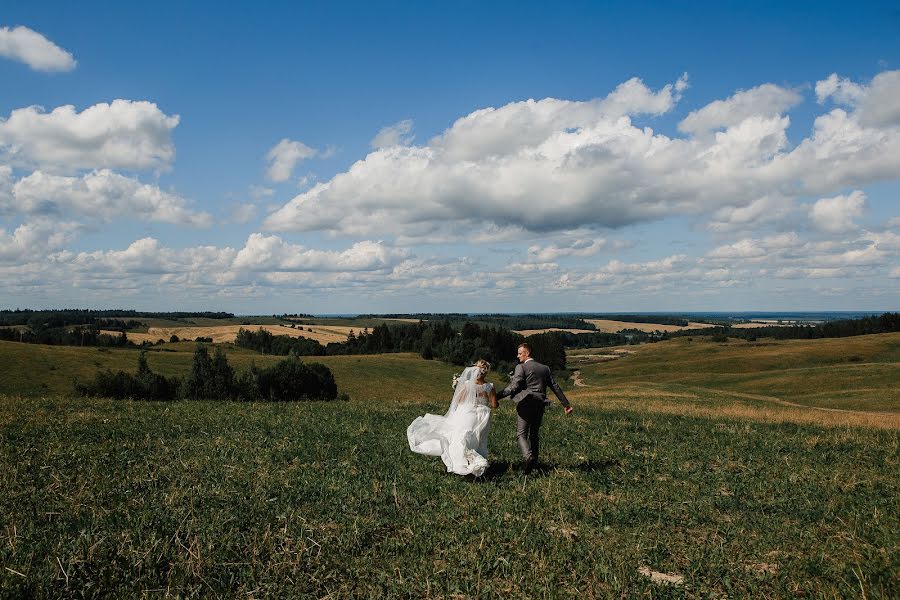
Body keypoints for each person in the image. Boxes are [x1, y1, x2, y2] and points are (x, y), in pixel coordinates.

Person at [407, 359, 498, 477]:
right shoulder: (489, 387)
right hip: (482, 416)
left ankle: (460, 462)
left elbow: (459, 400)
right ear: (486, 372)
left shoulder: (466, 384)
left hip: (466, 413)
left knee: (459, 436)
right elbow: (494, 405)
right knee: (478, 439)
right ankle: (475, 462)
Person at [496, 343, 572, 474]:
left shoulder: (521, 367)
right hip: (541, 403)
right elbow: (555, 387)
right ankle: (535, 463)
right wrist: (566, 405)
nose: (517, 356)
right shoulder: (545, 368)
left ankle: (528, 457)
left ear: (527, 353)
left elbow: (514, 386)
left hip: (526, 402)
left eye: (520, 353)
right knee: (534, 434)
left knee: (521, 434)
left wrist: (496, 396)